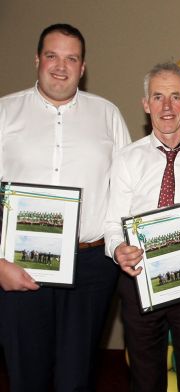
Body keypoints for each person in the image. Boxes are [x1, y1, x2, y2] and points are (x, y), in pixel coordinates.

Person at [0, 23, 131, 391]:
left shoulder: (107, 115)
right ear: (37, 60)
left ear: (83, 67)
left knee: (77, 379)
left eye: (71, 58)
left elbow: (126, 191)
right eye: (53, 56)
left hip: (90, 268)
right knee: (27, 377)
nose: (61, 66)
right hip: (18, 265)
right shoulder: (5, 113)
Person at [104, 62, 180, 392]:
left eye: (175, 96)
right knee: (144, 377)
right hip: (138, 279)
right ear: (146, 104)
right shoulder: (127, 158)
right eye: (158, 97)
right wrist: (117, 249)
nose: (167, 107)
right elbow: (112, 223)